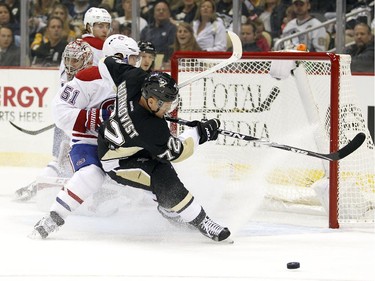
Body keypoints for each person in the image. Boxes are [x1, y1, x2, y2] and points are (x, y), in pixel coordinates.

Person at [94, 68, 231, 242]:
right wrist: (201, 133)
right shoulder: (149, 128)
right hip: (118, 163)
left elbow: (106, 62)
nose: (168, 109)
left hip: (126, 144)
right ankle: (202, 221)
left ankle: (167, 206)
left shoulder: (132, 78)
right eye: (166, 105)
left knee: (160, 165)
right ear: (151, 101)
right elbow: (177, 151)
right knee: (163, 174)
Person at [31, 35, 146, 239]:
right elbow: (60, 110)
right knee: (92, 174)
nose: (137, 63)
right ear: (119, 57)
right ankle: (54, 217)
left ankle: (170, 209)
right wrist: (97, 117)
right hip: (89, 142)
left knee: (153, 171)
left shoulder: (140, 80)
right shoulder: (88, 78)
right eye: (133, 58)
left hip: (123, 145)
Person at [14, 8, 112, 201]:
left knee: (67, 159)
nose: (104, 30)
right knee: (67, 159)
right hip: (79, 113)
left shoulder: (103, 48)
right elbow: (68, 80)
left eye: (107, 25)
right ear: (88, 26)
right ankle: (44, 186)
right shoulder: (82, 48)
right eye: (99, 25)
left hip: (83, 113)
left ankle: (41, 185)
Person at [140, 0, 177, 65]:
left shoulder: (174, 29)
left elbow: (172, 49)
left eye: (164, 10)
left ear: (169, 13)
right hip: (147, 64)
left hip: (166, 64)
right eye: (158, 10)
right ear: (154, 13)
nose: (161, 11)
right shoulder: (146, 30)